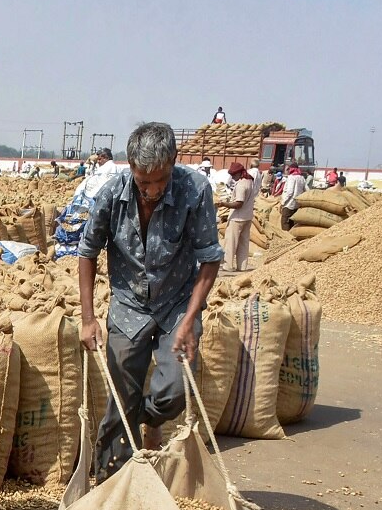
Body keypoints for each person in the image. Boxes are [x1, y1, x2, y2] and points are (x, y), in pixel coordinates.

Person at [78, 122, 222, 476]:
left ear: (174, 161)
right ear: (130, 166)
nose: (154, 190)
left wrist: (190, 320)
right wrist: (88, 318)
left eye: (161, 180)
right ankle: (111, 480)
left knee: (174, 390)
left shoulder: (195, 191)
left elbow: (210, 258)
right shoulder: (112, 194)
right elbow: (87, 253)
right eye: (144, 182)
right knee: (121, 396)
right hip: (129, 305)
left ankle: (150, 420)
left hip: (177, 305)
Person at [217, 161, 255, 271]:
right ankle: (242, 266)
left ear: (239, 173)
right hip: (247, 216)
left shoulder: (241, 185)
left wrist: (224, 204)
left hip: (238, 218)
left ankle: (228, 265)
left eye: (234, 175)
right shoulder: (249, 181)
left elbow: (239, 203)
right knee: (243, 243)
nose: (233, 177)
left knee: (231, 242)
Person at [279, 165, 306, 230]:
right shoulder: (301, 178)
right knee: (292, 223)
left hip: (289, 204)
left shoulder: (291, 177)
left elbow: (289, 192)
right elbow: (306, 190)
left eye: (288, 169)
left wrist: (283, 202)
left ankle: (286, 238)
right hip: (297, 205)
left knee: (285, 222)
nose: (288, 171)